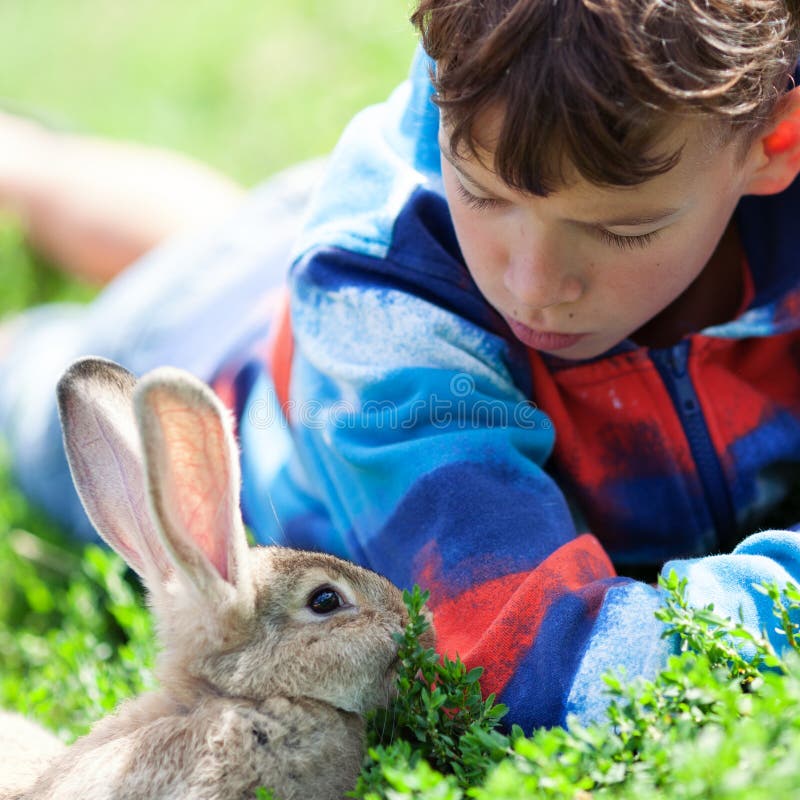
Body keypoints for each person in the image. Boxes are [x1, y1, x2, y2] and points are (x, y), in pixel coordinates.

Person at [2, 0, 800, 731]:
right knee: (75, 350)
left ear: (774, 144)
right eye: (483, 191)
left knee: (220, 235)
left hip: (289, 260)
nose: (531, 288)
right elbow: (543, 668)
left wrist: (486, 199)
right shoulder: (383, 335)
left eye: (624, 230)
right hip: (217, 373)